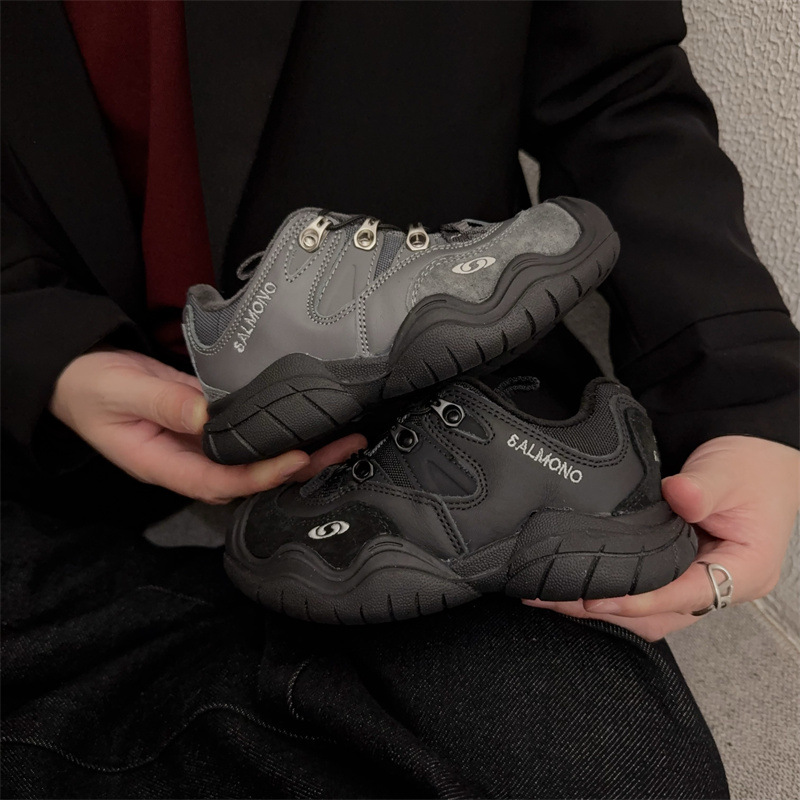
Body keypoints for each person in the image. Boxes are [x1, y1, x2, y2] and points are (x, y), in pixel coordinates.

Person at [1, 1, 797, 797]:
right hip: (37, 415)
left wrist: (741, 397)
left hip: (425, 417)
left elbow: (618, 86)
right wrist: (45, 349)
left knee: (612, 777)